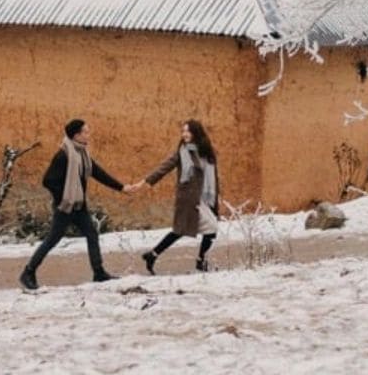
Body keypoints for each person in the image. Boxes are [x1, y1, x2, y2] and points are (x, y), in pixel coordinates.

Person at [19, 118, 127, 290]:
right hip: (66, 207)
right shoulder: (63, 155)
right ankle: (28, 272)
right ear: (76, 135)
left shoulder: (82, 154)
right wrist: (64, 198)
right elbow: (48, 181)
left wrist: (121, 187)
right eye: (85, 132)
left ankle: (99, 273)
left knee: (92, 234)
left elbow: (98, 173)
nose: (88, 134)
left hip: (79, 206)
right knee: (52, 240)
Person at [126, 119, 220, 273]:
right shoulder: (182, 153)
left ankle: (153, 254)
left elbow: (214, 178)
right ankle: (200, 261)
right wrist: (144, 182)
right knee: (207, 228)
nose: (184, 134)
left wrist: (214, 199)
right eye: (183, 131)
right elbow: (164, 167)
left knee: (183, 231)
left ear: (196, 132)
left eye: (187, 131)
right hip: (188, 198)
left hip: (203, 198)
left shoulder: (207, 153)